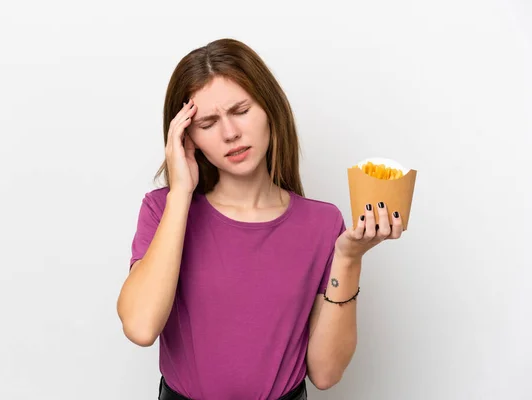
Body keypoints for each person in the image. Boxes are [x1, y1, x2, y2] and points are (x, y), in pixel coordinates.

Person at [116, 38, 404, 400]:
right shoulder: (164, 209)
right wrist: (180, 194)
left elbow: (326, 373)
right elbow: (141, 327)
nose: (230, 133)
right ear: (187, 138)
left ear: (269, 108)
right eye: (207, 123)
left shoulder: (321, 223)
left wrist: (349, 258)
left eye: (240, 110)